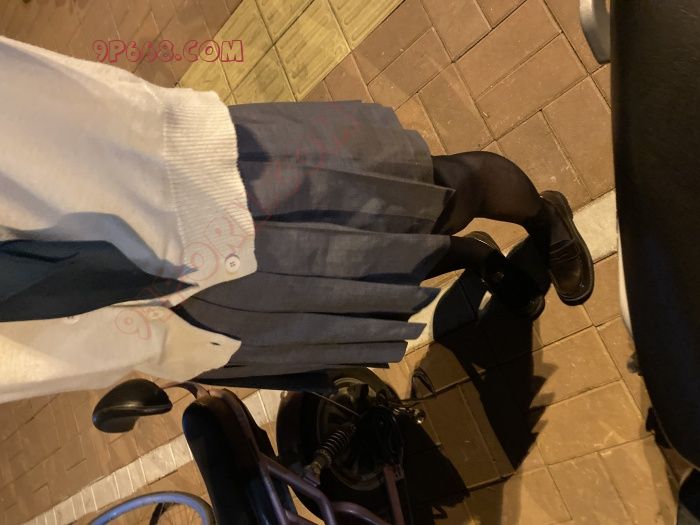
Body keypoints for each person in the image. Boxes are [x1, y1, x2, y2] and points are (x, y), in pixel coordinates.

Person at [0, 35, 593, 401]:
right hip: (182, 331)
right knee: (378, 278)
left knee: (439, 194)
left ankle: (544, 220)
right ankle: (476, 255)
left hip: (200, 194)